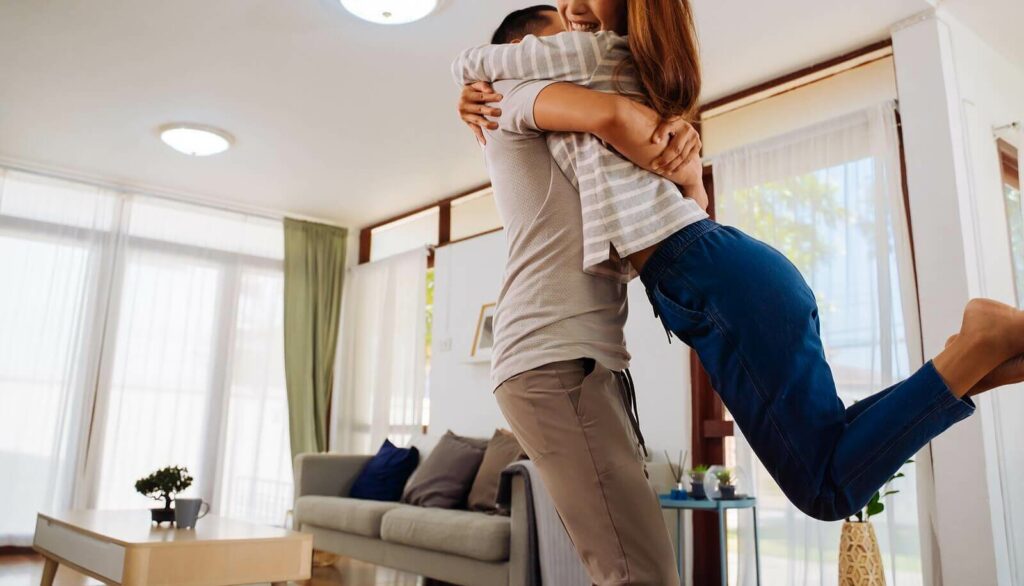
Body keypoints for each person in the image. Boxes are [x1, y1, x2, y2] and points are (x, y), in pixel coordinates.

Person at [456, 0, 1024, 570]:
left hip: (709, 277)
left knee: (826, 488)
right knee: (827, 455)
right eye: (553, 30)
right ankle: (979, 358)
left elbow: (559, 91)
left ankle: (980, 346)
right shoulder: (555, 93)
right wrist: (479, 80)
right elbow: (667, 182)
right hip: (723, 272)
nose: (573, 24)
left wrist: (476, 78)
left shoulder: (582, 73)